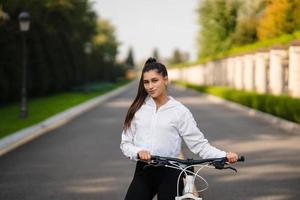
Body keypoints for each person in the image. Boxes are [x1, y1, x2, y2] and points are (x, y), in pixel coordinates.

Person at [120, 57, 238, 200]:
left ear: (165, 80)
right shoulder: (138, 109)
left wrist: (224, 155)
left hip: (171, 172)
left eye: (154, 80)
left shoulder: (179, 111)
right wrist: (139, 152)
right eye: (146, 82)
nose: (150, 86)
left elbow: (199, 145)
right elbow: (125, 144)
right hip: (144, 170)